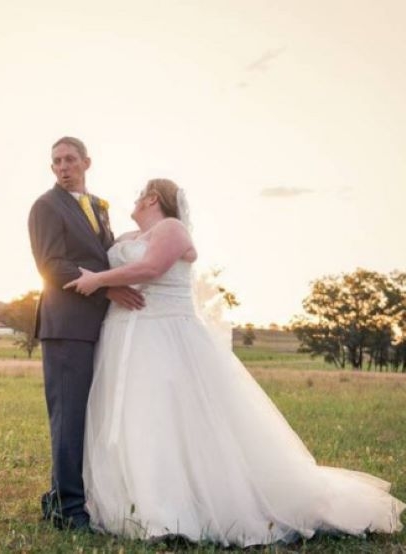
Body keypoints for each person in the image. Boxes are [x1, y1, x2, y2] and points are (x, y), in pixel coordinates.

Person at [64, 178, 405, 546]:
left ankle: (172, 510)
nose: (134, 199)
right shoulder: (123, 238)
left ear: (152, 197)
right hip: (121, 337)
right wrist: (104, 282)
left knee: (167, 418)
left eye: (139, 194)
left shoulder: (172, 228)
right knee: (135, 418)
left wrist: (98, 280)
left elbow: (150, 269)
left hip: (164, 337)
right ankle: (132, 503)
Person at [27, 137, 144, 530]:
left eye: (70, 159)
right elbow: (51, 265)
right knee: (69, 417)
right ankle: (69, 509)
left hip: (98, 324)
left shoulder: (97, 206)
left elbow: (103, 254)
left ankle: (59, 496)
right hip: (66, 327)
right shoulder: (45, 206)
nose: (63, 166)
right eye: (57, 161)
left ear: (86, 162)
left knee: (89, 415)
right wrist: (107, 287)